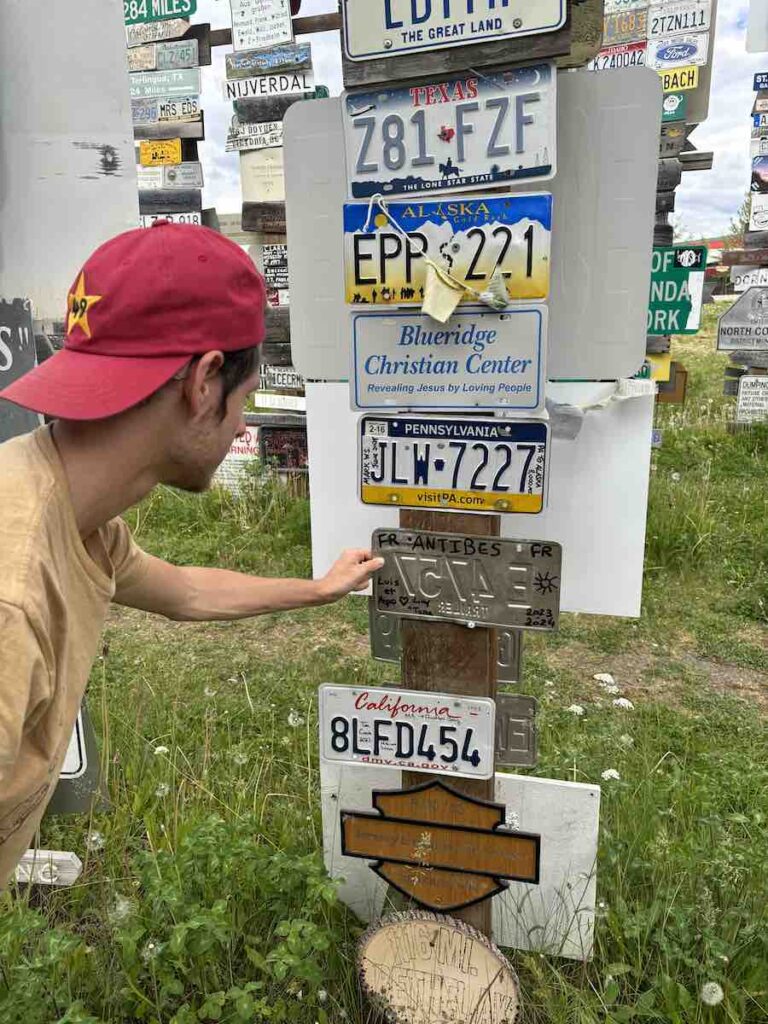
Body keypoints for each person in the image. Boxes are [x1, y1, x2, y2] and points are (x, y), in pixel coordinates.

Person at [0, 223, 383, 888]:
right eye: (247, 399)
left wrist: (316, 590)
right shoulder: (14, 598)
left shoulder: (67, 508)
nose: (242, 424)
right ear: (206, 381)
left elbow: (183, 591)